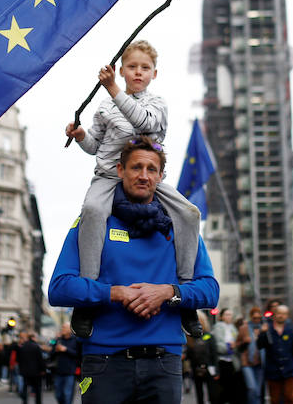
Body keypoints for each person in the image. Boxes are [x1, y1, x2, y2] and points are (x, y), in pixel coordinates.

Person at [49, 135, 220, 404]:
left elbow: (210, 290)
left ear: (161, 176)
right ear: (120, 170)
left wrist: (168, 292)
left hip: (164, 363)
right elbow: (58, 288)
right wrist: (114, 293)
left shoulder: (182, 228)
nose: (144, 175)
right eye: (136, 167)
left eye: (151, 169)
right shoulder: (92, 222)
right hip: (104, 363)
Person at [64, 41, 203, 339]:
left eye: (145, 67)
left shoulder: (157, 104)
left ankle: (186, 293)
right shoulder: (104, 106)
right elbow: (95, 147)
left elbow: (143, 123)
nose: (138, 72)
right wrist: (80, 136)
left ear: (154, 73)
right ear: (122, 70)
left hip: (145, 173)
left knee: (190, 213)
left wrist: (113, 89)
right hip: (108, 176)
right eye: (132, 67)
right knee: (91, 211)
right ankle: (88, 297)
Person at [256, 304, 293, 404]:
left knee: (289, 397)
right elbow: (260, 346)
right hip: (273, 370)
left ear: (287, 316)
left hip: (289, 369)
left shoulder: (290, 331)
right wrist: (262, 333)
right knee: (275, 399)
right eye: (279, 313)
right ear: (275, 315)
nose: (281, 316)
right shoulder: (268, 331)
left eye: (284, 314)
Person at [186, 313, 219, 404]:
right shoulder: (190, 338)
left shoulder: (209, 336)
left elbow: (214, 354)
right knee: (199, 395)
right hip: (196, 368)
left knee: (213, 394)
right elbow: (189, 354)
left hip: (209, 368)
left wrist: (216, 370)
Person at [213, 308, 244, 403]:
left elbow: (237, 342)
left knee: (233, 388)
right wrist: (229, 347)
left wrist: (235, 346)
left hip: (233, 361)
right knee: (224, 388)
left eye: (230, 314)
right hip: (222, 361)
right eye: (226, 314)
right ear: (221, 316)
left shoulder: (233, 328)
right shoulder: (218, 327)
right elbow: (218, 345)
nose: (229, 316)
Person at [237, 307, 264, 404]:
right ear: (251, 317)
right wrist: (244, 342)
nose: (257, 320)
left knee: (258, 391)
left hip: (260, 362)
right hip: (247, 362)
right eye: (254, 318)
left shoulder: (263, 328)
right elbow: (237, 344)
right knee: (252, 388)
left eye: (258, 318)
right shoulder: (244, 328)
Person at [50, 323, 78, 404]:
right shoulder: (58, 340)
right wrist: (55, 350)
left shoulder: (75, 340)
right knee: (58, 394)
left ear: (70, 329)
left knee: (67, 394)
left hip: (70, 372)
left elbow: (78, 354)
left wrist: (65, 349)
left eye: (64, 327)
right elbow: (51, 354)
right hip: (58, 371)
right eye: (62, 327)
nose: (62, 329)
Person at [16, 331, 45, 404]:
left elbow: (19, 359)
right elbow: (40, 359)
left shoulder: (23, 347)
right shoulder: (36, 346)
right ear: (33, 338)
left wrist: (21, 369)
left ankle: (24, 401)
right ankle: (38, 402)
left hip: (25, 371)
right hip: (36, 372)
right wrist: (43, 370)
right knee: (37, 389)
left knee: (25, 387)